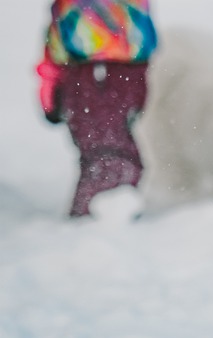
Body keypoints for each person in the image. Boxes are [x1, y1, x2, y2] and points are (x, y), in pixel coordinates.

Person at [37, 0, 157, 218]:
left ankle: (99, 219)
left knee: (108, 153)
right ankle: (100, 219)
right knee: (108, 151)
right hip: (99, 66)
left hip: (104, 66)